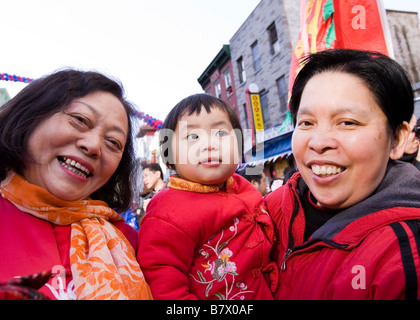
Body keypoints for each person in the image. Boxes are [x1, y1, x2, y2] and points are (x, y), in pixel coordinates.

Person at [265, 49, 420, 300]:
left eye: (347, 122)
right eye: (306, 123)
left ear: (398, 139)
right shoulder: (266, 213)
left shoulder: (405, 253)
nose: (318, 142)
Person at [0, 69, 152, 300]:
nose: (93, 146)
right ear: (31, 117)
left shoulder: (134, 243)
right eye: (80, 120)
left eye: (113, 142)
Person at [137, 94, 277, 300]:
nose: (209, 145)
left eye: (220, 133)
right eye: (193, 137)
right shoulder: (167, 212)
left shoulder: (243, 187)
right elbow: (163, 282)